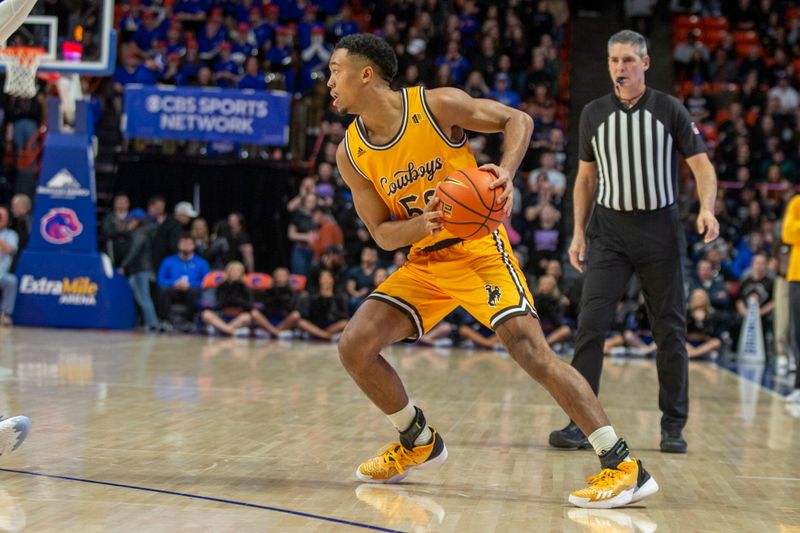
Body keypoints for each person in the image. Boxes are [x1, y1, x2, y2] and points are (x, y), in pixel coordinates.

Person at [329, 33, 657, 508]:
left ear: (365, 73)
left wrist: (504, 171)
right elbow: (381, 233)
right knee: (354, 346)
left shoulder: (436, 105)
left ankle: (623, 464)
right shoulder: (350, 153)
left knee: (530, 350)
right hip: (425, 260)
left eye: (336, 70)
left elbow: (516, 119)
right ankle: (416, 438)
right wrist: (420, 224)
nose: (329, 81)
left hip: (479, 248)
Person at [550, 30, 720, 455]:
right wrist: (576, 233)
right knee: (590, 326)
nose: (619, 68)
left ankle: (673, 425)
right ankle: (580, 422)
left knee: (670, 331)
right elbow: (585, 178)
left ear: (645, 63)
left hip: (660, 230)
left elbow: (702, 167)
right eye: (613, 61)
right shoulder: (593, 113)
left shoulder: (669, 109)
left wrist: (706, 208)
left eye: (628, 60)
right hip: (608, 231)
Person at [157, 234, 210, 330]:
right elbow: (161, 279)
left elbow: (206, 281)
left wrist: (190, 284)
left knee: (193, 291)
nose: (185, 245)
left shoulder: (202, 263)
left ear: (194, 246)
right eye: (183, 242)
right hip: (174, 290)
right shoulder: (168, 261)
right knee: (164, 290)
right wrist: (174, 283)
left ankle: (189, 321)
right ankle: (165, 321)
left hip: (192, 290)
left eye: (188, 243)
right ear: (178, 245)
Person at [118, 208, 159, 332]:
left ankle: (152, 324)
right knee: (141, 298)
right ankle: (148, 323)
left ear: (136, 221)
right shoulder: (142, 233)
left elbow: (134, 252)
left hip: (141, 270)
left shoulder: (140, 234)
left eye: (129, 221)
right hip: (138, 270)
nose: (127, 224)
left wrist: (123, 266)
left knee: (144, 298)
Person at [201, 261, 253, 337]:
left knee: (247, 317)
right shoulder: (222, 286)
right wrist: (232, 301)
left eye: (237, 271)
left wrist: (235, 301)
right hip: (223, 315)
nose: (234, 273)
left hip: (238, 317)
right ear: (227, 272)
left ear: (242, 273)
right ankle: (230, 330)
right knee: (206, 314)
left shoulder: (245, 287)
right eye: (232, 270)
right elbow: (218, 304)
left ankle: (223, 329)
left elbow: (249, 305)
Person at [781, 194, 800, 403]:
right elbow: (788, 233)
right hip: (797, 276)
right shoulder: (796, 203)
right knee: (798, 333)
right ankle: (799, 386)